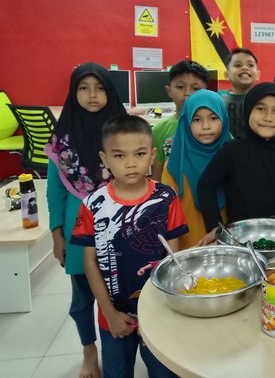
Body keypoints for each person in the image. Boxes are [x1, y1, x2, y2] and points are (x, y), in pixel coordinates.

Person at [71, 115, 188, 378]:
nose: (131, 163)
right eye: (119, 156)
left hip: (159, 313)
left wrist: (164, 315)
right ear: (104, 159)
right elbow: (90, 262)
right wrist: (110, 313)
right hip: (112, 313)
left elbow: (174, 259)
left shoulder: (166, 198)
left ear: (152, 155)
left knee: (164, 372)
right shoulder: (93, 204)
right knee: (117, 371)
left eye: (140, 154)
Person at [45, 62, 127, 378]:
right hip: (78, 231)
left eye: (100, 88)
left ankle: (121, 347)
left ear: (111, 92)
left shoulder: (124, 132)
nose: (92, 94)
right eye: (83, 88)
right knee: (82, 298)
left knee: (123, 292)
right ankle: (89, 351)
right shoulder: (62, 140)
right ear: (73, 92)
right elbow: (55, 192)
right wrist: (57, 234)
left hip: (120, 226)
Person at [197, 83, 275, 243]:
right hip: (242, 239)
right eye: (260, 109)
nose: (268, 117)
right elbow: (205, 185)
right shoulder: (233, 150)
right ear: (248, 110)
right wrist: (214, 225)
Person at [162, 89, 232, 249]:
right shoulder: (174, 166)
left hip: (229, 247)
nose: (206, 126)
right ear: (186, 122)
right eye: (197, 119)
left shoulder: (234, 158)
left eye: (213, 118)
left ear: (224, 119)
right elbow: (168, 216)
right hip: (187, 248)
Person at [151, 60, 209, 181]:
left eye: (195, 88)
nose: (187, 93)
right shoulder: (159, 130)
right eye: (180, 87)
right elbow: (157, 176)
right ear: (169, 91)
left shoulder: (214, 126)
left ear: (205, 93)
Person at [218, 48, 261, 137]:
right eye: (238, 65)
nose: (245, 68)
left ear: (258, 75)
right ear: (226, 75)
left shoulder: (262, 99)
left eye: (250, 65)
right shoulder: (218, 98)